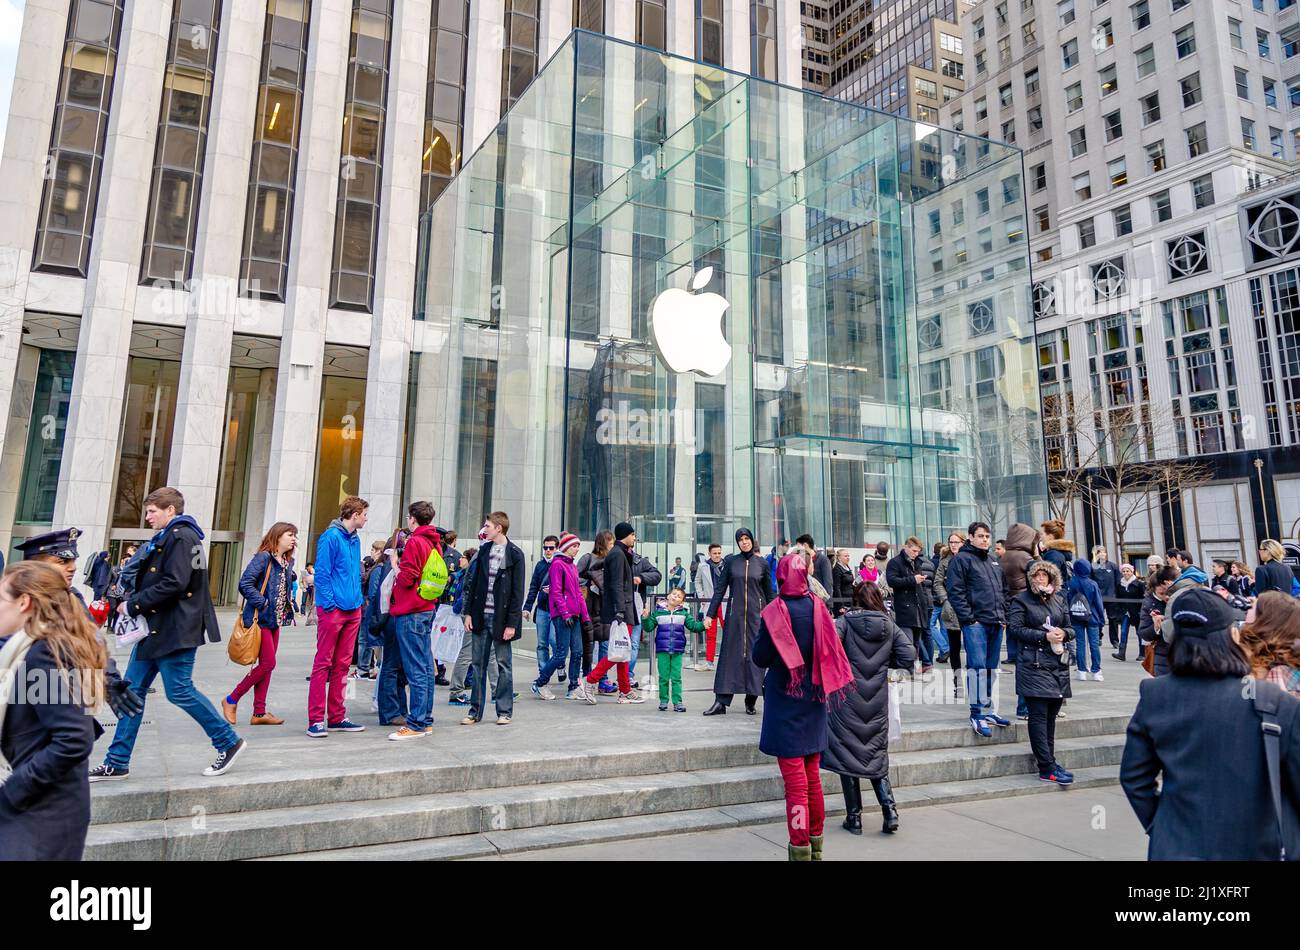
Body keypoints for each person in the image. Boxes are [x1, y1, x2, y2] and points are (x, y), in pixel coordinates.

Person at [1120, 588, 1300, 860]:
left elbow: (1134, 778)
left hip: (1178, 846)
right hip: (1258, 846)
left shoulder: (1155, 695)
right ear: (1232, 636)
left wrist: (1161, 827)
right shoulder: (1274, 701)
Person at [92, 487, 246, 780]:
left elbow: (175, 582)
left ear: (170, 510)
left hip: (175, 629)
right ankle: (117, 761)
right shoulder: (172, 536)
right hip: (156, 629)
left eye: (152, 511)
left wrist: (132, 605)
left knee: (179, 691)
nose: (147, 517)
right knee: (131, 693)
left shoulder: (181, 536)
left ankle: (228, 742)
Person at [0, 561, 108, 860]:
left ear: (24, 603)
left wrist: (15, 788)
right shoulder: (34, 648)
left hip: (40, 814)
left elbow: (74, 737)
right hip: (41, 809)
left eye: (0, 598)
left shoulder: (45, 653)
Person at [753, 552, 853, 861]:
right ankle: (816, 845)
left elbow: (760, 657)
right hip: (814, 699)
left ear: (780, 577)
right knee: (812, 778)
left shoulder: (774, 612)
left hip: (785, 702)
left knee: (795, 782)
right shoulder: (818, 608)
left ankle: (799, 849)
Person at [822, 582, 914, 835]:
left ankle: (855, 818)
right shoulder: (889, 625)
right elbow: (908, 655)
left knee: (846, 754)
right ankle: (890, 811)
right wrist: (884, 663)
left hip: (847, 698)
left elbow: (828, 649)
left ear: (856, 599)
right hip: (876, 698)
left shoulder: (845, 623)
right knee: (875, 753)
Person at [222, 522, 298, 727]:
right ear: (278, 536)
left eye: (295, 536)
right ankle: (231, 699)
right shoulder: (263, 557)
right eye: (290, 534)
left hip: (276, 620)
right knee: (268, 664)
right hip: (261, 619)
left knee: (267, 666)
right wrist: (262, 602)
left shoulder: (286, 561)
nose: (293, 539)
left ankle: (259, 712)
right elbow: (245, 583)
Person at [306, 496, 369, 738]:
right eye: (364, 514)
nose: (365, 518)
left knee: (343, 665)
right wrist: (331, 604)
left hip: (352, 608)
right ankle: (315, 719)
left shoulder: (354, 539)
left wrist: (356, 602)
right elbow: (322, 574)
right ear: (354, 515)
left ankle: (337, 715)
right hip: (334, 610)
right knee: (323, 663)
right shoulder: (331, 537)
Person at [1008, 561, 1075, 785]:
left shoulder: (1058, 599)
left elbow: (1071, 626)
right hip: (1033, 665)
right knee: (1038, 715)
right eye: (1036, 576)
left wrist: (1063, 633)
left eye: (1044, 576)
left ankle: (1051, 761)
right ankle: (1045, 766)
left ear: (1051, 578)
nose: (1040, 580)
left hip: (1057, 664)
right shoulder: (1021, 600)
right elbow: (1016, 629)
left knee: (1051, 717)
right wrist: (1043, 636)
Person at [945, 521, 1010, 738]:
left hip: (995, 622)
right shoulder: (961, 560)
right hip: (976, 624)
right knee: (978, 666)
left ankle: (988, 709)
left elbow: (1003, 590)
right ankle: (977, 712)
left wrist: (1004, 616)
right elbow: (955, 592)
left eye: (987, 536)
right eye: (980, 536)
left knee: (991, 668)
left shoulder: (993, 560)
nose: (985, 539)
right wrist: (969, 619)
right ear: (971, 537)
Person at [462, 512, 526, 725]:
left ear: (499, 528)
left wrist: (512, 625)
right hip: (481, 616)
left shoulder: (515, 554)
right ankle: (475, 711)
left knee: (503, 665)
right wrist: (468, 613)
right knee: (478, 664)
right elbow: (473, 584)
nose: (485, 528)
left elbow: (518, 593)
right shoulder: (484, 551)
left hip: (501, 620)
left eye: (488, 525)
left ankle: (504, 711)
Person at [386, 502, 443, 740]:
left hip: (411, 610)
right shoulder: (434, 542)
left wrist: (395, 566)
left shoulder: (415, 542)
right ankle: (425, 719)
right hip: (426, 607)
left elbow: (408, 577)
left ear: (412, 519)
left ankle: (417, 722)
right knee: (426, 667)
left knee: (416, 669)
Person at [703, 528, 772, 716]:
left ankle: (751, 700)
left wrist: (776, 617)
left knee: (755, 657)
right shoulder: (732, 562)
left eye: (746, 538)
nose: (744, 542)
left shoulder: (762, 564)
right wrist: (710, 614)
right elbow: (719, 589)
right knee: (729, 657)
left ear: (751, 540)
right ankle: (721, 702)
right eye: (740, 539)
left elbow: (769, 593)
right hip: (735, 617)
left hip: (757, 619)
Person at [574, 522, 645, 705]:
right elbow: (616, 585)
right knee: (617, 651)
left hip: (622, 610)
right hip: (622, 611)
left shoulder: (619, 554)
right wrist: (620, 611)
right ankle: (590, 681)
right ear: (626, 535)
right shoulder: (618, 555)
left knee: (622, 650)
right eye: (633, 534)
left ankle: (625, 691)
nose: (635, 538)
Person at [531, 533, 588, 700]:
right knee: (561, 653)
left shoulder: (572, 566)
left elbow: (578, 593)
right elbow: (555, 592)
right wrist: (564, 613)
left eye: (578, 546)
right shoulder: (557, 564)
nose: (577, 549)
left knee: (577, 652)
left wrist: (585, 617)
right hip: (562, 616)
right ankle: (540, 683)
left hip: (575, 615)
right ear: (565, 547)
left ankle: (573, 687)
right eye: (574, 546)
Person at [643, 586, 704, 712]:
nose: (675, 596)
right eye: (674, 594)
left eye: (679, 596)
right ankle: (663, 700)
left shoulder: (684, 614)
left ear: (682, 602)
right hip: (662, 650)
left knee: (676, 677)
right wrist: (645, 618)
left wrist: (703, 625)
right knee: (663, 677)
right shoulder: (658, 613)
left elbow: (693, 626)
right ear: (668, 596)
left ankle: (678, 702)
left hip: (677, 650)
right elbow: (649, 627)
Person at [999, 524, 1038, 704]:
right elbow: (1040, 576)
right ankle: (1025, 705)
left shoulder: (1005, 556)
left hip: (1012, 605)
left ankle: (1023, 705)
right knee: (1030, 659)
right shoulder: (1025, 557)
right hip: (1028, 607)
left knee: (1020, 651)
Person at [886, 536, 932, 674]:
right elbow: (892, 581)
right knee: (907, 641)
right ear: (905, 547)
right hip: (905, 607)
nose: (915, 553)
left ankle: (911, 669)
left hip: (918, 606)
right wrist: (913, 579)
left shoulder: (916, 562)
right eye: (913, 550)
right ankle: (906, 668)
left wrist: (924, 599)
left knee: (916, 641)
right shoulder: (895, 562)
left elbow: (920, 586)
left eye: (918, 551)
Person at [1239, 591, 1300, 695]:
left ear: (1265, 620)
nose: (1247, 610)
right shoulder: (1287, 659)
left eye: (1252, 607)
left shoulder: (1269, 670)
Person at [577, 531, 614, 690]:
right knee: (589, 645)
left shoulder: (611, 560)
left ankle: (602, 679)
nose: (613, 546)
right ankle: (586, 677)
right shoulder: (588, 558)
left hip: (604, 608)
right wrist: (590, 580)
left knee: (605, 645)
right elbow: (574, 577)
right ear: (603, 543)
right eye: (611, 543)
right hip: (589, 608)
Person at [523, 535, 558, 681]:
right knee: (542, 644)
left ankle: (559, 664)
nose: (548, 551)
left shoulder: (561, 564)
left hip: (557, 610)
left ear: (557, 548)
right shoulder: (540, 565)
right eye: (545, 548)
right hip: (543, 609)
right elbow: (533, 588)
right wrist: (527, 608)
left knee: (555, 642)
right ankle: (543, 674)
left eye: (551, 548)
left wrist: (555, 589)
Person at [933, 532, 964, 697]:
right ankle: (957, 683)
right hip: (951, 609)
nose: (953, 545)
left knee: (974, 649)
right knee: (954, 648)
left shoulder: (968, 558)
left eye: (956, 542)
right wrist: (945, 599)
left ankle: (976, 683)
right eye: (951, 542)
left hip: (970, 609)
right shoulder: (944, 561)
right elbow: (937, 582)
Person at [1066, 559, 1106, 682]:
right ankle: (1096, 671)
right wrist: (1101, 618)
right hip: (1092, 616)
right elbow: (1098, 603)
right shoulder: (1092, 584)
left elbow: (1067, 600)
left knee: (1080, 644)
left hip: (1076, 616)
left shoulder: (1071, 583)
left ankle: (1081, 670)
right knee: (1094, 644)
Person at [1136, 565, 1180, 676]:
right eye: (1161, 593)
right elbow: (1143, 633)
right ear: (1154, 590)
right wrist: (1156, 627)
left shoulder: (1178, 597)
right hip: (1162, 654)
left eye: (1168, 592)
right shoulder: (1149, 603)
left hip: (1183, 651)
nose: (1166, 596)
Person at [693, 542, 724, 671]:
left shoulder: (726, 565)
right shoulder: (703, 566)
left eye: (719, 553)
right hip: (710, 602)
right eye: (714, 553)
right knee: (710, 633)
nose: (717, 556)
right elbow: (697, 581)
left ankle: (727, 661)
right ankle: (709, 662)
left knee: (728, 632)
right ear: (709, 554)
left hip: (724, 602)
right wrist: (702, 597)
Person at [1111, 563, 1145, 661]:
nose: (1126, 573)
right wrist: (1118, 611)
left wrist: (1141, 612)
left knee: (1140, 633)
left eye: (1128, 571)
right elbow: (1117, 599)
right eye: (1124, 571)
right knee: (1123, 632)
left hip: (1136, 612)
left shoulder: (1139, 584)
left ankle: (1142, 653)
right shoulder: (1119, 585)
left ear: (1132, 572)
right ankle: (1121, 653)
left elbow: (1143, 598)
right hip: (1125, 612)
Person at [1090, 546, 1120, 648]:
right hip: (1098, 597)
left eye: (1103, 552)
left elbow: (1118, 582)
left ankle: (1115, 640)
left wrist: (1117, 596)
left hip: (1111, 597)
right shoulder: (1093, 567)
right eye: (1099, 552)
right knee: (1098, 618)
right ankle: (1098, 637)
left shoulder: (1113, 566)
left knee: (1113, 619)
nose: (1102, 554)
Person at [831, 549, 855, 615]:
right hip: (842, 602)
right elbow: (836, 588)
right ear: (839, 558)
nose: (848, 558)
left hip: (850, 600)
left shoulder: (847, 567)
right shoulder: (837, 569)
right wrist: (840, 605)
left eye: (848, 556)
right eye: (845, 556)